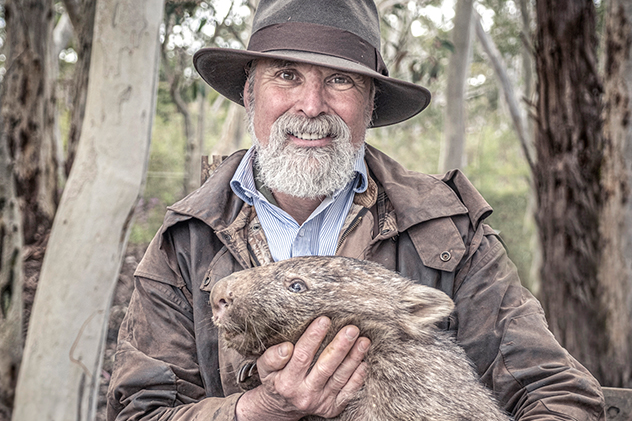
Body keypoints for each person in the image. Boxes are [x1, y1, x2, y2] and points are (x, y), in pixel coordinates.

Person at [106, 0, 606, 420]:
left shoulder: (447, 230)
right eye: (286, 75)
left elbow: (555, 391)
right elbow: (141, 410)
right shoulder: (186, 242)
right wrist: (258, 408)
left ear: (370, 104)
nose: (310, 105)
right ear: (249, 93)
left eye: (340, 81)